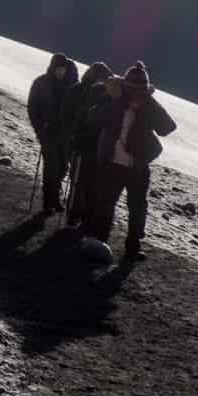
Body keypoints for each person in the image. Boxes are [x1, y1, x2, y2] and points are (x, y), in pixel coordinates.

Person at [84, 62, 177, 261]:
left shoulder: (147, 105)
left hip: (137, 166)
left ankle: (132, 247)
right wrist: (117, 101)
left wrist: (148, 103)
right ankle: (101, 243)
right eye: (133, 89)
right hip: (115, 163)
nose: (136, 93)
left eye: (140, 89)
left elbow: (167, 127)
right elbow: (93, 117)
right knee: (107, 204)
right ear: (125, 86)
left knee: (135, 207)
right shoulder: (114, 99)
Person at [58, 62, 113, 225]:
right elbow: (68, 115)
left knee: (80, 181)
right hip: (84, 144)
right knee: (82, 182)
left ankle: (77, 215)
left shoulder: (80, 91)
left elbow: (67, 115)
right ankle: (78, 215)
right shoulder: (94, 94)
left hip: (83, 144)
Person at [27, 53, 79, 214]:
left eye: (63, 69)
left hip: (64, 134)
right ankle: (48, 202)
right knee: (52, 166)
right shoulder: (41, 83)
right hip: (47, 132)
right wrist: (39, 128)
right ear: (53, 67)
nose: (60, 72)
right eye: (58, 69)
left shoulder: (70, 86)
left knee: (63, 167)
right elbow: (33, 107)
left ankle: (54, 197)